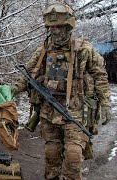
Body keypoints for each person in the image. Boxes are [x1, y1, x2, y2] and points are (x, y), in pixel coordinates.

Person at [12, 3, 112, 180]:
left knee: (73, 156)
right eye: (51, 27)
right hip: (49, 111)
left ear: (68, 26)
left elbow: (100, 76)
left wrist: (105, 103)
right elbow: (28, 74)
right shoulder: (43, 50)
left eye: (58, 26)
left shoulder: (84, 49)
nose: (55, 30)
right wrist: (14, 88)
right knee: (52, 154)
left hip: (75, 111)